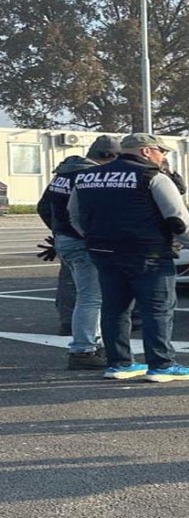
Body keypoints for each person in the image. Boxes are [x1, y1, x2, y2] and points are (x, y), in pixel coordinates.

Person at [68, 133, 189, 382]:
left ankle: (119, 363)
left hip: (103, 252)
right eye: (160, 151)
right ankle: (162, 365)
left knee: (114, 309)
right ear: (145, 151)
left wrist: (95, 238)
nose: (162, 156)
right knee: (157, 309)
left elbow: (75, 216)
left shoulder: (86, 177)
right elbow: (177, 218)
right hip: (148, 253)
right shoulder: (152, 176)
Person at [36, 134, 121, 368]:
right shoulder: (90, 176)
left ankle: (92, 342)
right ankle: (83, 349)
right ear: (107, 156)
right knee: (91, 297)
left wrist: (58, 231)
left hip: (65, 240)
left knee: (82, 292)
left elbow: (43, 206)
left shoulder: (62, 175)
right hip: (83, 241)